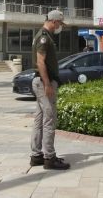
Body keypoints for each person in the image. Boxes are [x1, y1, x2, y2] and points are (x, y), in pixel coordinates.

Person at [29, 10, 70, 170]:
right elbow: (41, 62)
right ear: (54, 21)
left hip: (40, 81)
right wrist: (47, 84)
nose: (60, 27)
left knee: (39, 119)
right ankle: (49, 157)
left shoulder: (42, 35)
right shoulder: (44, 37)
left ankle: (36, 155)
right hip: (43, 82)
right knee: (49, 119)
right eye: (60, 24)